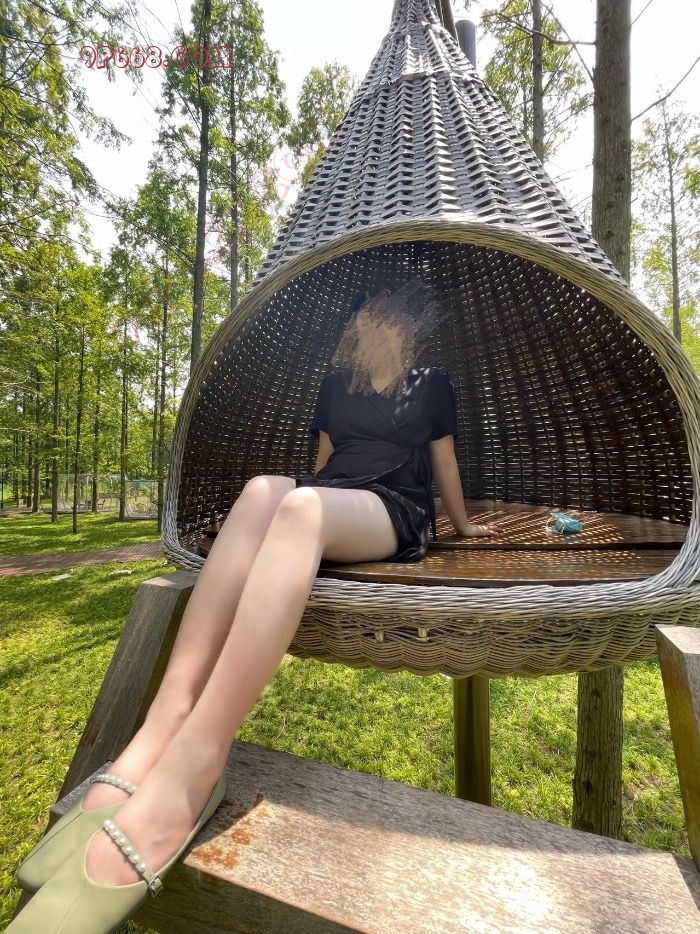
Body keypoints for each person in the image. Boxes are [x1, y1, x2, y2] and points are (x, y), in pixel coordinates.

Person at [11, 279, 501, 933]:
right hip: (331, 497)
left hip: (393, 509)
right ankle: (162, 725)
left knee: (300, 508)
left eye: (384, 314)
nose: (371, 322)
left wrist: (462, 527)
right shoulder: (337, 385)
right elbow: (322, 465)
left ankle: (197, 761)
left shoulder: (431, 384)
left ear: (407, 324)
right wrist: (280, 513)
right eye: (364, 312)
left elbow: (444, 464)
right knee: (264, 489)